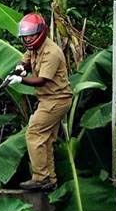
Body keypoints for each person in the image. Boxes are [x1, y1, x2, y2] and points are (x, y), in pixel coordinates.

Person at [6, 13, 73, 191]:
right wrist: (20, 68)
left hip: (56, 100)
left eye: (31, 35)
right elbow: (26, 59)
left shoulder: (52, 52)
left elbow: (42, 80)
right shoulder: (35, 47)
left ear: (41, 33)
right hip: (48, 99)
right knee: (47, 139)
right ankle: (50, 179)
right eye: (25, 36)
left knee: (34, 133)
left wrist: (20, 80)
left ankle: (40, 177)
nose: (28, 39)